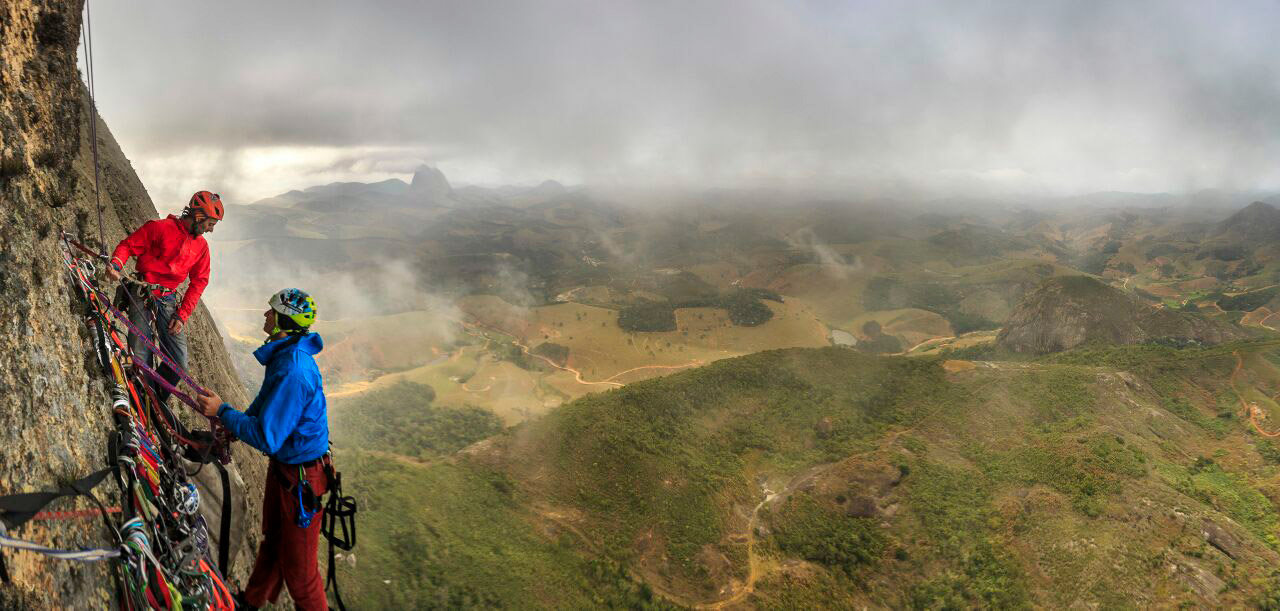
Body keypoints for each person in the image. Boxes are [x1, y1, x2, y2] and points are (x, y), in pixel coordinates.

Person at [197, 288, 330, 611]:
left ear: (283, 320)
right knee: (273, 542)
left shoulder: (294, 370)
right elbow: (264, 404)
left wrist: (223, 412)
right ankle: (250, 602)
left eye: (271, 312)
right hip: (289, 472)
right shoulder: (286, 354)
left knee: (301, 577)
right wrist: (234, 426)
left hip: (301, 480)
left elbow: (268, 437)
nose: (265, 315)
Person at [107, 190, 222, 396]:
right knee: (142, 354)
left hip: (168, 300)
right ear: (198, 216)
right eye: (210, 224)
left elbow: (199, 281)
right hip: (142, 291)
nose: (210, 230)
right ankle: (142, 394)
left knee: (178, 363)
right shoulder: (159, 228)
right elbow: (128, 246)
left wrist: (182, 315)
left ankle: (153, 398)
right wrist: (116, 263)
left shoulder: (201, 247)